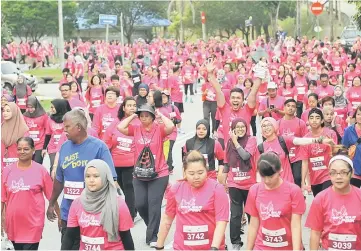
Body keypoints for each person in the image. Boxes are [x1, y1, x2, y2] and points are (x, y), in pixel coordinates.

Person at [46, 109, 118, 250]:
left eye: (67, 127)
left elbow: (111, 180)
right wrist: (52, 202)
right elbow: (59, 180)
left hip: (92, 213)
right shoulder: (65, 147)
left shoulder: (99, 147)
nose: (63, 130)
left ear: (78, 127)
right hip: (69, 212)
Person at [117, 103, 174, 247]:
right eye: (141, 116)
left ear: (153, 117)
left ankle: (152, 236)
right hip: (140, 173)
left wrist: (161, 115)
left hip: (159, 173)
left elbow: (171, 127)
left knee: (154, 205)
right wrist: (132, 116)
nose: (143, 118)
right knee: (140, 204)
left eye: (147, 116)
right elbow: (120, 128)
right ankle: (153, 226)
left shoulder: (159, 129)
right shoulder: (136, 128)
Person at [156, 151, 229, 250]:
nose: (196, 177)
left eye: (200, 172)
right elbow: (167, 220)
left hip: (209, 247)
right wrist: (159, 246)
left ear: (206, 170)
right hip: (182, 247)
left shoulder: (217, 189)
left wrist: (214, 248)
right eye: (191, 173)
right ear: (184, 172)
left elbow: (221, 221)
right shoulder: (176, 189)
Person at [61, 160, 135, 250]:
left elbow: (126, 237)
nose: (91, 180)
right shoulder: (77, 203)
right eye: (88, 176)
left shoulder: (118, 204)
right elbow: (70, 236)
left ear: (105, 177)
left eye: (96, 176)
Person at [1, 137, 60, 250]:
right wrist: (1, 219)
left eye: (26, 149)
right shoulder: (8, 171)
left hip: (33, 223)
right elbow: (2, 198)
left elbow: (51, 195)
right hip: (14, 223)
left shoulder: (41, 171)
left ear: (33, 150)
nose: (22, 152)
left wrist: (59, 215)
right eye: (19, 149)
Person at [245, 152, 306, 251]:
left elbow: (295, 226)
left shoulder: (293, 191)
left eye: (271, 176)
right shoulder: (254, 190)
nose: (267, 180)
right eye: (263, 176)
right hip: (262, 247)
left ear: (280, 170)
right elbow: (253, 224)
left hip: (287, 247)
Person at [305, 155, 361, 250]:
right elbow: (315, 232)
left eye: (343, 172)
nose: (338, 177)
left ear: (352, 173)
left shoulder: (359, 196)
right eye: (333, 173)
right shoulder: (320, 198)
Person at [218, 118, 257, 250]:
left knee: (252, 213)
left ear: (247, 128)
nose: (240, 129)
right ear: (233, 128)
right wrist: (224, 180)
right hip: (234, 183)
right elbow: (227, 161)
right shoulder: (229, 142)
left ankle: (256, 239)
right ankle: (235, 242)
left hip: (250, 184)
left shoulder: (252, 140)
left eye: (243, 127)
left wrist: (235, 141)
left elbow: (245, 156)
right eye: (237, 127)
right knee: (235, 213)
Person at [258, 116, 335, 183]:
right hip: (270, 185)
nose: (266, 128)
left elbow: (299, 141)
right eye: (263, 126)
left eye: (269, 125)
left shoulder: (283, 140)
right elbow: (260, 170)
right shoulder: (261, 147)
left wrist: (318, 140)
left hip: (286, 183)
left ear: (274, 126)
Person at [103, 97, 139, 220]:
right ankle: (133, 207)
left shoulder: (139, 123)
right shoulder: (115, 123)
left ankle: (130, 215)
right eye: (129, 105)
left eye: (134, 105)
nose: (132, 107)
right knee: (124, 187)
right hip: (116, 162)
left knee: (129, 186)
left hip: (131, 162)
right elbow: (106, 139)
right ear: (123, 108)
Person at [300, 108, 338, 197]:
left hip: (329, 176)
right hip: (314, 178)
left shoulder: (330, 133)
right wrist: (303, 182)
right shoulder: (306, 139)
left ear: (322, 121)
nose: (314, 120)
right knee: (320, 204)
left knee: (327, 200)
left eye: (317, 118)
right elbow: (305, 162)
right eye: (311, 118)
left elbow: (335, 154)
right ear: (308, 121)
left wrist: (332, 144)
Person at [278, 99, 308, 187]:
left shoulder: (300, 123)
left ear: (295, 109)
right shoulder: (278, 123)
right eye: (288, 106)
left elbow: (305, 140)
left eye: (293, 106)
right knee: (284, 180)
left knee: (297, 178)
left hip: (297, 156)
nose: (290, 108)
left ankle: (298, 195)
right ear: (284, 107)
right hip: (283, 157)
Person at [44, 99, 71, 173]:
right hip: (53, 147)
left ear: (59, 107)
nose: (51, 109)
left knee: (64, 166)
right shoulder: (50, 119)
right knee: (53, 166)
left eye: (53, 107)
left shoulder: (68, 119)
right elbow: (48, 134)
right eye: (51, 107)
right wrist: (44, 148)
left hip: (65, 147)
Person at [1, 103, 29, 169]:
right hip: (2, 167)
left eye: (8, 111)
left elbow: (27, 151)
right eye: (3, 111)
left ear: (14, 112)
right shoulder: (1, 127)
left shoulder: (23, 130)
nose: (5, 113)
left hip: (18, 166)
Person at [23, 96, 48, 164]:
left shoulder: (43, 115)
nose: (30, 109)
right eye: (28, 107)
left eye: (32, 107)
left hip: (40, 144)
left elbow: (47, 130)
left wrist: (45, 146)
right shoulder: (25, 116)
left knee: (37, 163)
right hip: (28, 144)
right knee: (28, 164)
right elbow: (23, 129)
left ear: (36, 106)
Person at [342, 105, 361, 188]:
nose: (360, 117)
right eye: (358, 114)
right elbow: (343, 149)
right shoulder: (348, 130)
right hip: (354, 171)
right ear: (355, 116)